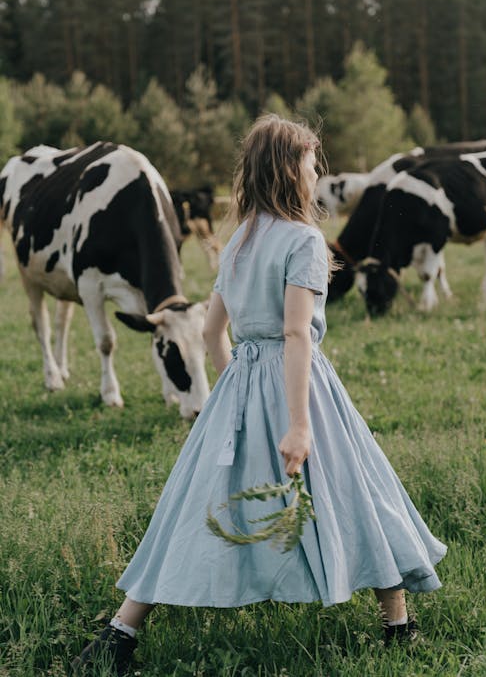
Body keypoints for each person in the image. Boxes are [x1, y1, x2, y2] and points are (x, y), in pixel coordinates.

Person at [71, 115, 447, 675]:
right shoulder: (304, 241)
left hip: (242, 384)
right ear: (287, 171)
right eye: (309, 160)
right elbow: (296, 333)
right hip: (302, 386)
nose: (316, 170)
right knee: (353, 490)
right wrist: (297, 422)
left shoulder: (241, 240)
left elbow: (209, 331)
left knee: (192, 503)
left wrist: (237, 389)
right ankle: (397, 623)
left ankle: (120, 632)